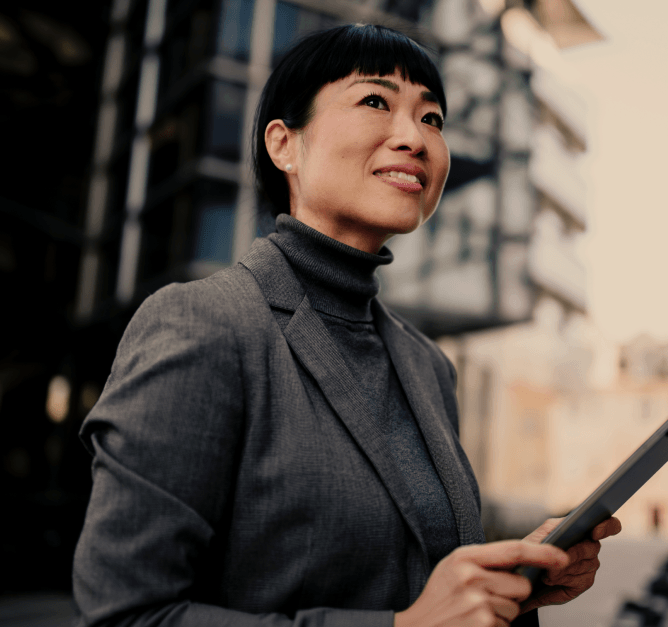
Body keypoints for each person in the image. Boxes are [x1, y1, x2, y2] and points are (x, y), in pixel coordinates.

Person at [72, 24, 621, 627]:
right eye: (375, 102)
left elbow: (417, 585)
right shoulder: (204, 323)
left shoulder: (426, 364)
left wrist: (510, 587)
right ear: (284, 145)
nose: (414, 137)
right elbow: (127, 614)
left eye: (433, 119)